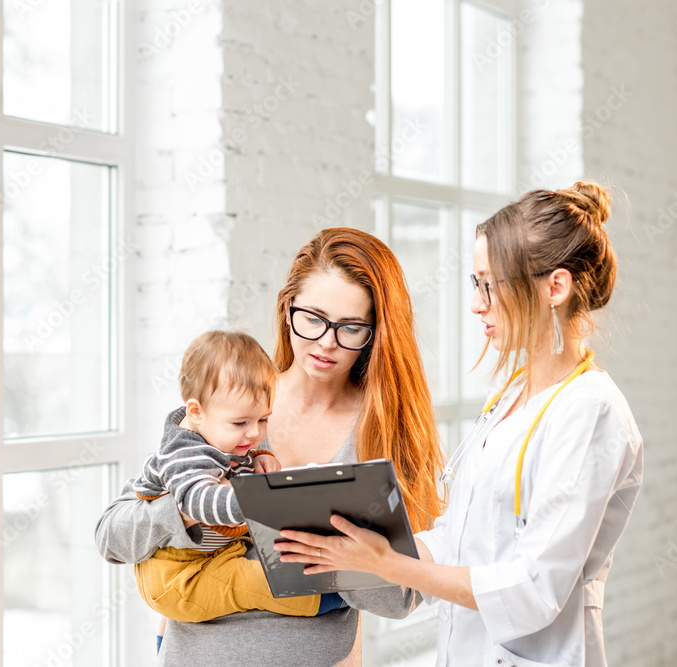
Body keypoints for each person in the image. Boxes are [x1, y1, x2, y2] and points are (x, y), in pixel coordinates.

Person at [277, 182, 645, 667]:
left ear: (555, 287)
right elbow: (460, 537)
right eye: (476, 284)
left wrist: (388, 564)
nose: (477, 304)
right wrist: (365, 548)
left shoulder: (591, 410)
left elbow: (535, 589)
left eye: (491, 285)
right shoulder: (511, 395)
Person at [95, 227, 446, 665]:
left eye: (351, 328)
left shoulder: (380, 433)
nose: (326, 342)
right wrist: (189, 511)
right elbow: (112, 537)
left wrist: (335, 550)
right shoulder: (231, 404)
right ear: (287, 308)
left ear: (375, 333)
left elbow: (402, 598)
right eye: (313, 318)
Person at [132, 329, 339, 624]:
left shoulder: (221, 434)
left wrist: (258, 457)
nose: (254, 433)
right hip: (177, 574)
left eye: (263, 419)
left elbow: (229, 463)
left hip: (215, 554)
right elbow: (197, 500)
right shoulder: (184, 452)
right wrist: (259, 499)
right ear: (196, 412)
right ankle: (326, 597)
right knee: (252, 582)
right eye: (241, 422)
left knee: (255, 568)